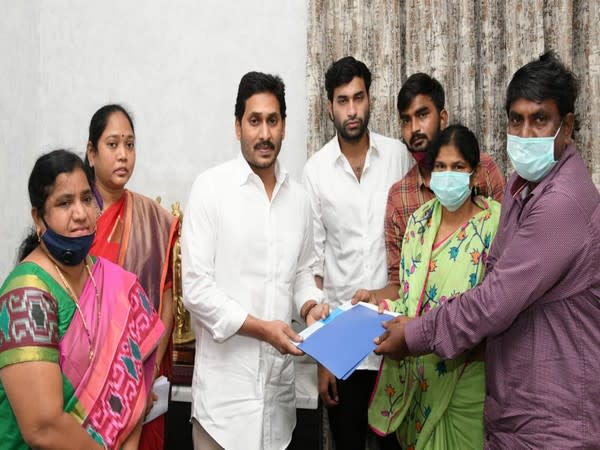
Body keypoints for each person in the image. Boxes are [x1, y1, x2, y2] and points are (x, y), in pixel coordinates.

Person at [374, 52, 600, 449]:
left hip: (555, 420)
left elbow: (495, 299)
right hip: (512, 410)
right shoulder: (519, 187)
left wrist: (414, 334)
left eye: (540, 119)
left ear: (568, 126)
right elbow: (490, 279)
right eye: (517, 120)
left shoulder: (563, 202)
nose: (526, 133)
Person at [181, 71, 327, 450]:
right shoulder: (209, 190)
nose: (264, 133)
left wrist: (310, 306)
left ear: (284, 126)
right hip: (223, 413)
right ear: (237, 126)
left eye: (272, 121)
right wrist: (262, 329)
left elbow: (301, 273)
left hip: (279, 410)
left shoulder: (299, 199)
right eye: (254, 121)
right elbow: (196, 291)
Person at [0, 150, 163, 450]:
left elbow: (134, 394)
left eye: (87, 199)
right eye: (64, 203)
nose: (80, 214)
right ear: (39, 217)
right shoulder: (25, 297)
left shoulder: (113, 282)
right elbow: (43, 428)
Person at [302, 56, 412, 450]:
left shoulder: (398, 156)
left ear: (370, 99)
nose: (352, 110)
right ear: (329, 106)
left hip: (395, 342)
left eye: (358, 98)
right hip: (343, 349)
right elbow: (314, 271)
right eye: (342, 100)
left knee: (397, 445)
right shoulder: (315, 171)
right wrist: (323, 357)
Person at [369, 125, 500, 449]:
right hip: (419, 381)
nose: (447, 175)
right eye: (440, 167)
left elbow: (500, 306)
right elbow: (408, 301)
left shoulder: (497, 222)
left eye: (457, 167)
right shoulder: (419, 224)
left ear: (474, 175)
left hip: (470, 379)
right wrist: (373, 304)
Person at [354, 74, 506, 304]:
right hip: (418, 329)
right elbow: (401, 284)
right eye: (406, 120)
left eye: (422, 115)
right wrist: (373, 297)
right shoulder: (400, 197)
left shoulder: (482, 170)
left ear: (442, 118)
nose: (414, 128)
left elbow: (507, 254)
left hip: (482, 319)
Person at [84, 104, 178, 450]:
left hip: (139, 372)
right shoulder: (76, 219)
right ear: (91, 153)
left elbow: (164, 302)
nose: (123, 155)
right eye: (112, 145)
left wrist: (148, 369)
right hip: (83, 377)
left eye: (130, 144)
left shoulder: (152, 218)